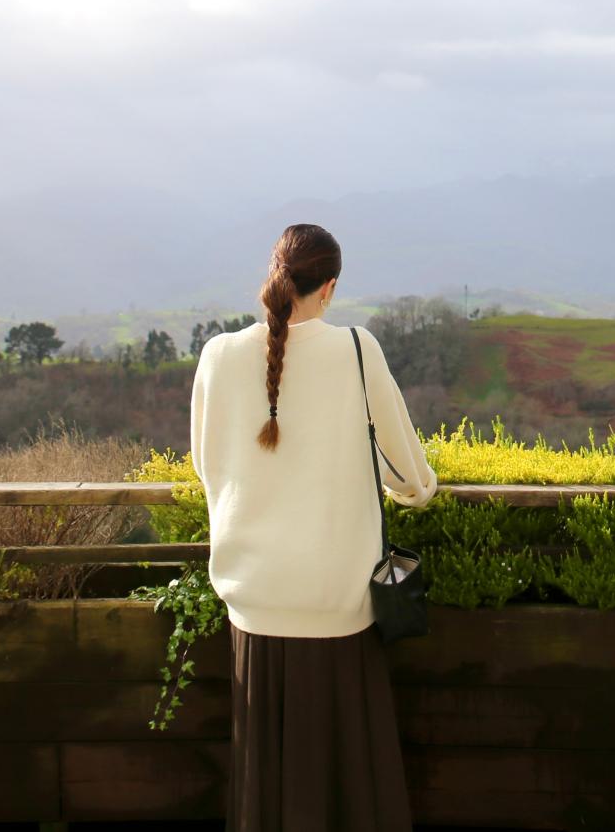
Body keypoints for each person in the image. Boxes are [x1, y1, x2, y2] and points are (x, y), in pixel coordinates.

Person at [190, 222, 439, 832]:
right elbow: (408, 473)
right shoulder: (356, 347)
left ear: (274, 276)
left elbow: (207, 466)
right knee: (351, 781)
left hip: (256, 597)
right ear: (328, 288)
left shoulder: (218, 356)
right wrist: (412, 489)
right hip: (338, 597)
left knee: (266, 782)